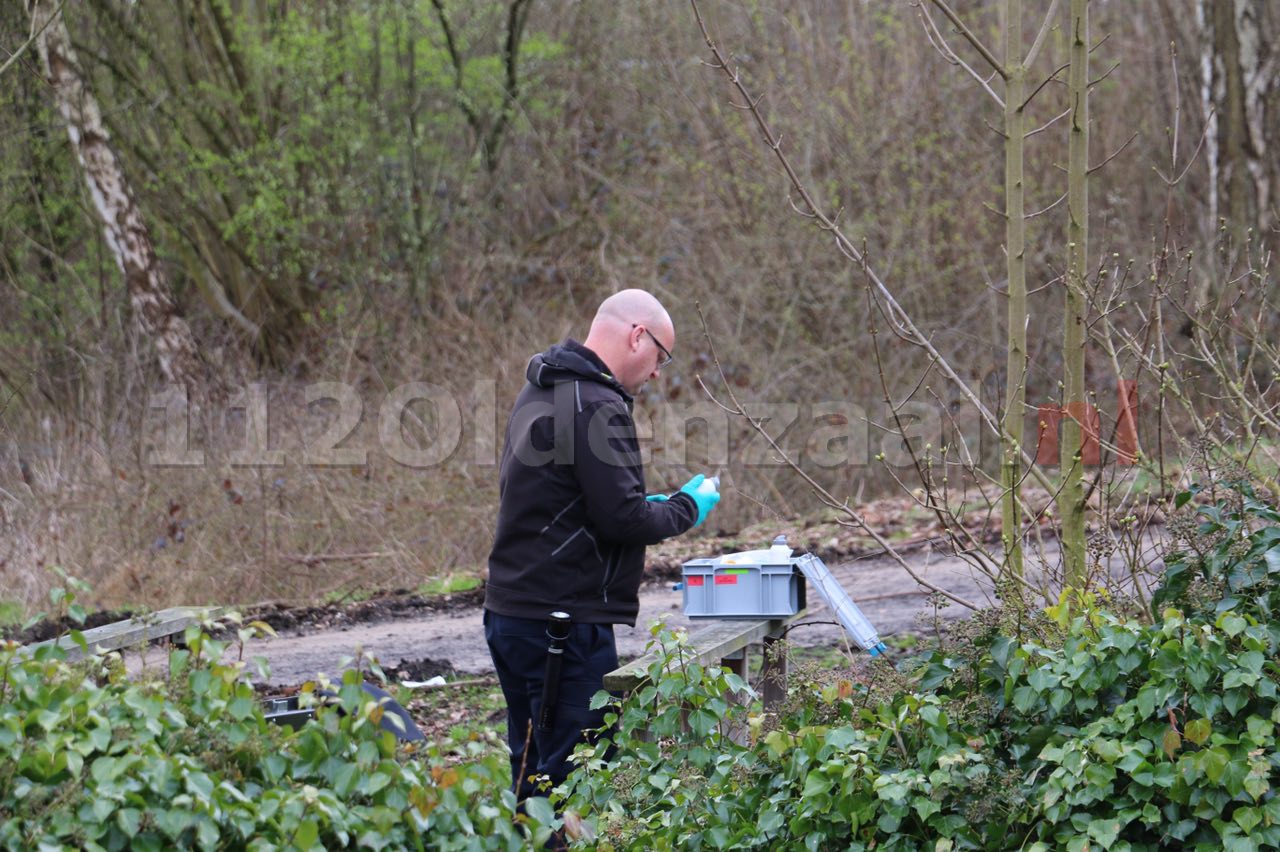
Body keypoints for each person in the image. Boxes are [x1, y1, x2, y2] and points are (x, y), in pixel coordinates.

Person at [483, 288, 720, 800]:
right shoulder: (597, 403)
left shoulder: (542, 388)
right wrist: (687, 506)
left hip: (511, 614)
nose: (658, 372)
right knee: (578, 781)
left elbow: (559, 497)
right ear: (638, 336)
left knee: (531, 772)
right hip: (561, 625)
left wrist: (638, 502)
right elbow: (625, 520)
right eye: (661, 355)